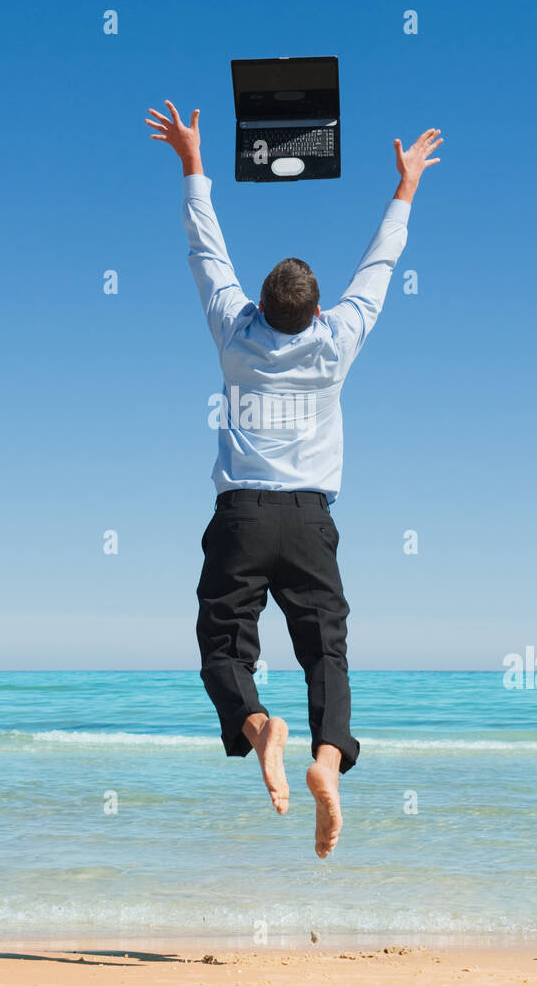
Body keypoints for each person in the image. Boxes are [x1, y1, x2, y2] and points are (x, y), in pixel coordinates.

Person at [145, 99, 442, 856]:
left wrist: (192, 161)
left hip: (241, 515)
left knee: (223, 644)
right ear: (314, 313)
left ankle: (255, 724)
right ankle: (326, 759)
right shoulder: (337, 340)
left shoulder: (232, 332)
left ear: (263, 308)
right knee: (325, 652)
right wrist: (404, 186)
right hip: (310, 521)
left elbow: (204, 249)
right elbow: (379, 266)